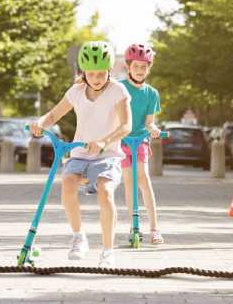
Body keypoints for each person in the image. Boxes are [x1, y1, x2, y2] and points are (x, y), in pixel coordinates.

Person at [29, 41, 132, 268]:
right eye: (91, 73)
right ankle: (79, 237)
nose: (96, 78)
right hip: (80, 153)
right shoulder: (76, 92)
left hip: (108, 154)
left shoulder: (118, 90)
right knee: (67, 183)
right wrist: (40, 123)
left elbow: (127, 126)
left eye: (101, 73)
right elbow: (54, 114)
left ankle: (107, 252)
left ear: (110, 71)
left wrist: (104, 142)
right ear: (83, 72)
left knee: (105, 194)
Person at [120, 43, 163, 245]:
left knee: (144, 180)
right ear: (128, 67)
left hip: (140, 140)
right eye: (135, 66)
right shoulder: (119, 88)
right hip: (122, 141)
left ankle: (154, 228)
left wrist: (153, 129)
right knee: (129, 182)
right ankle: (133, 225)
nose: (139, 70)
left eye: (144, 67)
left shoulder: (152, 93)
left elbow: (149, 121)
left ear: (149, 68)